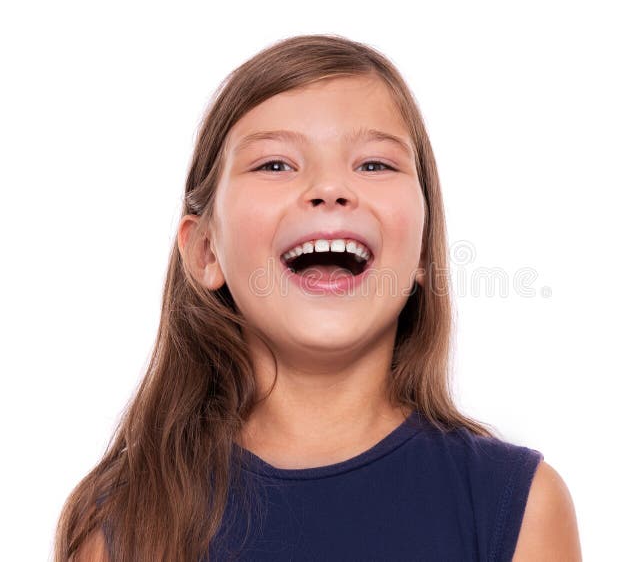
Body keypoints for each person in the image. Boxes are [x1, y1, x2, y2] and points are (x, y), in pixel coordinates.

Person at [55, 34, 581, 561]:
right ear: (206, 251)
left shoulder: (520, 507)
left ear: (422, 251)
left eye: (374, 164)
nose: (330, 188)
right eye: (275, 165)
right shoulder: (119, 523)